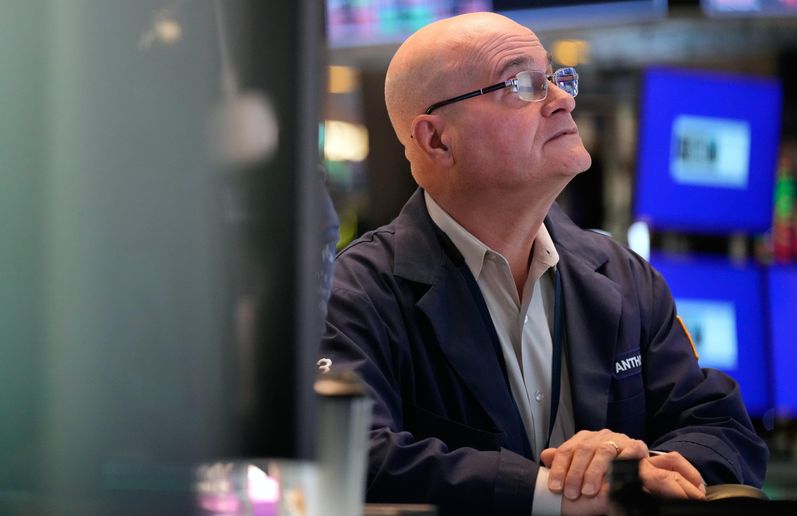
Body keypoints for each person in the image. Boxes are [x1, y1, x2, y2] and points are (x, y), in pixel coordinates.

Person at [319, 12, 767, 515]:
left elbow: (721, 427)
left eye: (556, 78)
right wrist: (554, 494)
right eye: (524, 84)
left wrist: (638, 467)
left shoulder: (622, 275)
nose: (564, 99)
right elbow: (353, 456)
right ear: (437, 140)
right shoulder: (356, 293)